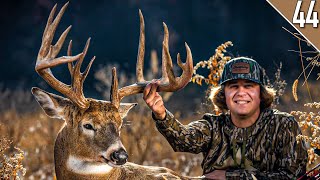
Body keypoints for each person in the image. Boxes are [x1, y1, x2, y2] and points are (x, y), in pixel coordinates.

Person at [143, 57, 308, 179]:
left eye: (249, 86)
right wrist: (161, 113)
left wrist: (229, 176)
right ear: (224, 94)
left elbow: (293, 176)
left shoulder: (284, 125)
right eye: (233, 86)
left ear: (261, 93)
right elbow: (184, 139)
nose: (241, 92)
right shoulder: (213, 126)